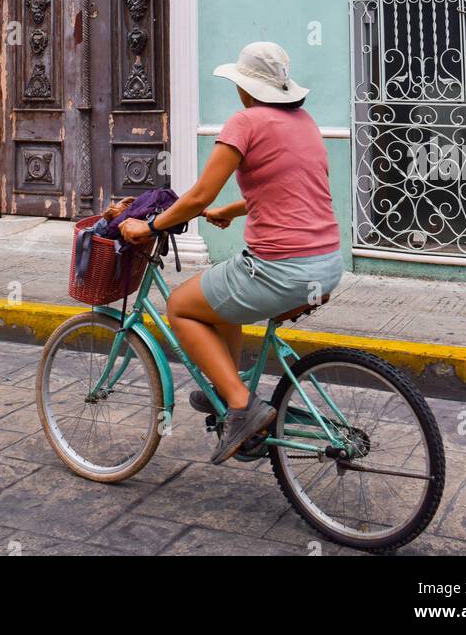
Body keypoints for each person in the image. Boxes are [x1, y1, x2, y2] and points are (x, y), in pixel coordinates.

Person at [120, 41, 342, 466]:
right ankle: (228, 385)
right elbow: (294, 187)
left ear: (245, 87)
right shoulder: (305, 121)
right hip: (326, 264)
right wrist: (231, 210)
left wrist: (146, 226)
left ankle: (242, 406)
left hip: (281, 268)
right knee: (221, 299)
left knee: (182, 306)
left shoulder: (245, 121)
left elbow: (199, 193)